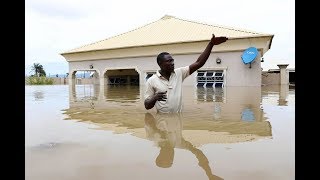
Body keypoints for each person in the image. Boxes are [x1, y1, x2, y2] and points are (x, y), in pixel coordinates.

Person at [144, 34, 228, 113]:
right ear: (160, 63)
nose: (172, 63)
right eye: (168, 61)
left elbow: (199, 63)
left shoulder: (179, 73)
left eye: (172, 60)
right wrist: (154, 98)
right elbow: (147, 106)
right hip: (161, 122)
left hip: (178, 122)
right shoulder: (151, 81)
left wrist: (211, 44)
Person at [144, 113, 223, 179]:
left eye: (167, 157)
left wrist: (155, 128)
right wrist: (209, 173)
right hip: (175, 107)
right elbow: (198, 153)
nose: (171, 156)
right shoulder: (180, 143)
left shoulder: (152, 137)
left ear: (159, 155)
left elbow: (147, 114)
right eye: (171, 159)